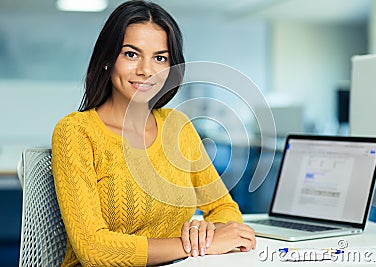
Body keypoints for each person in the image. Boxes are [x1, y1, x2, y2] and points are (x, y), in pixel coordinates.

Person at [51, 1, 256, 266]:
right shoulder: (76, 132)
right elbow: (94, 249)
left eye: (160, 58)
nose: (146, 70)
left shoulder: (178, 126)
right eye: (131, 54)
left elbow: (224, 208)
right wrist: (196, 246)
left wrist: (207, 232)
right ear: (106, 59)